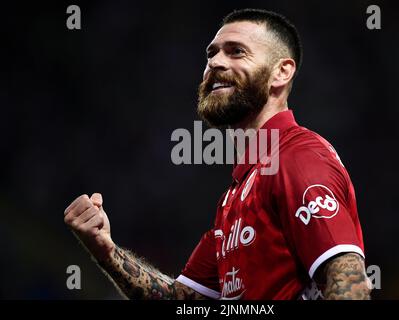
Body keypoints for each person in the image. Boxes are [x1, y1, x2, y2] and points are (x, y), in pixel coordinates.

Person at [64, 8, 371, 300]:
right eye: (211, 53)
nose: (215, 63)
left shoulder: (298, 157)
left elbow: (348, 277)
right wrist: (106, 250)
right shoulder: (236, 195)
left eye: (236, 51)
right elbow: (183, 299)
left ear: (281, 72)